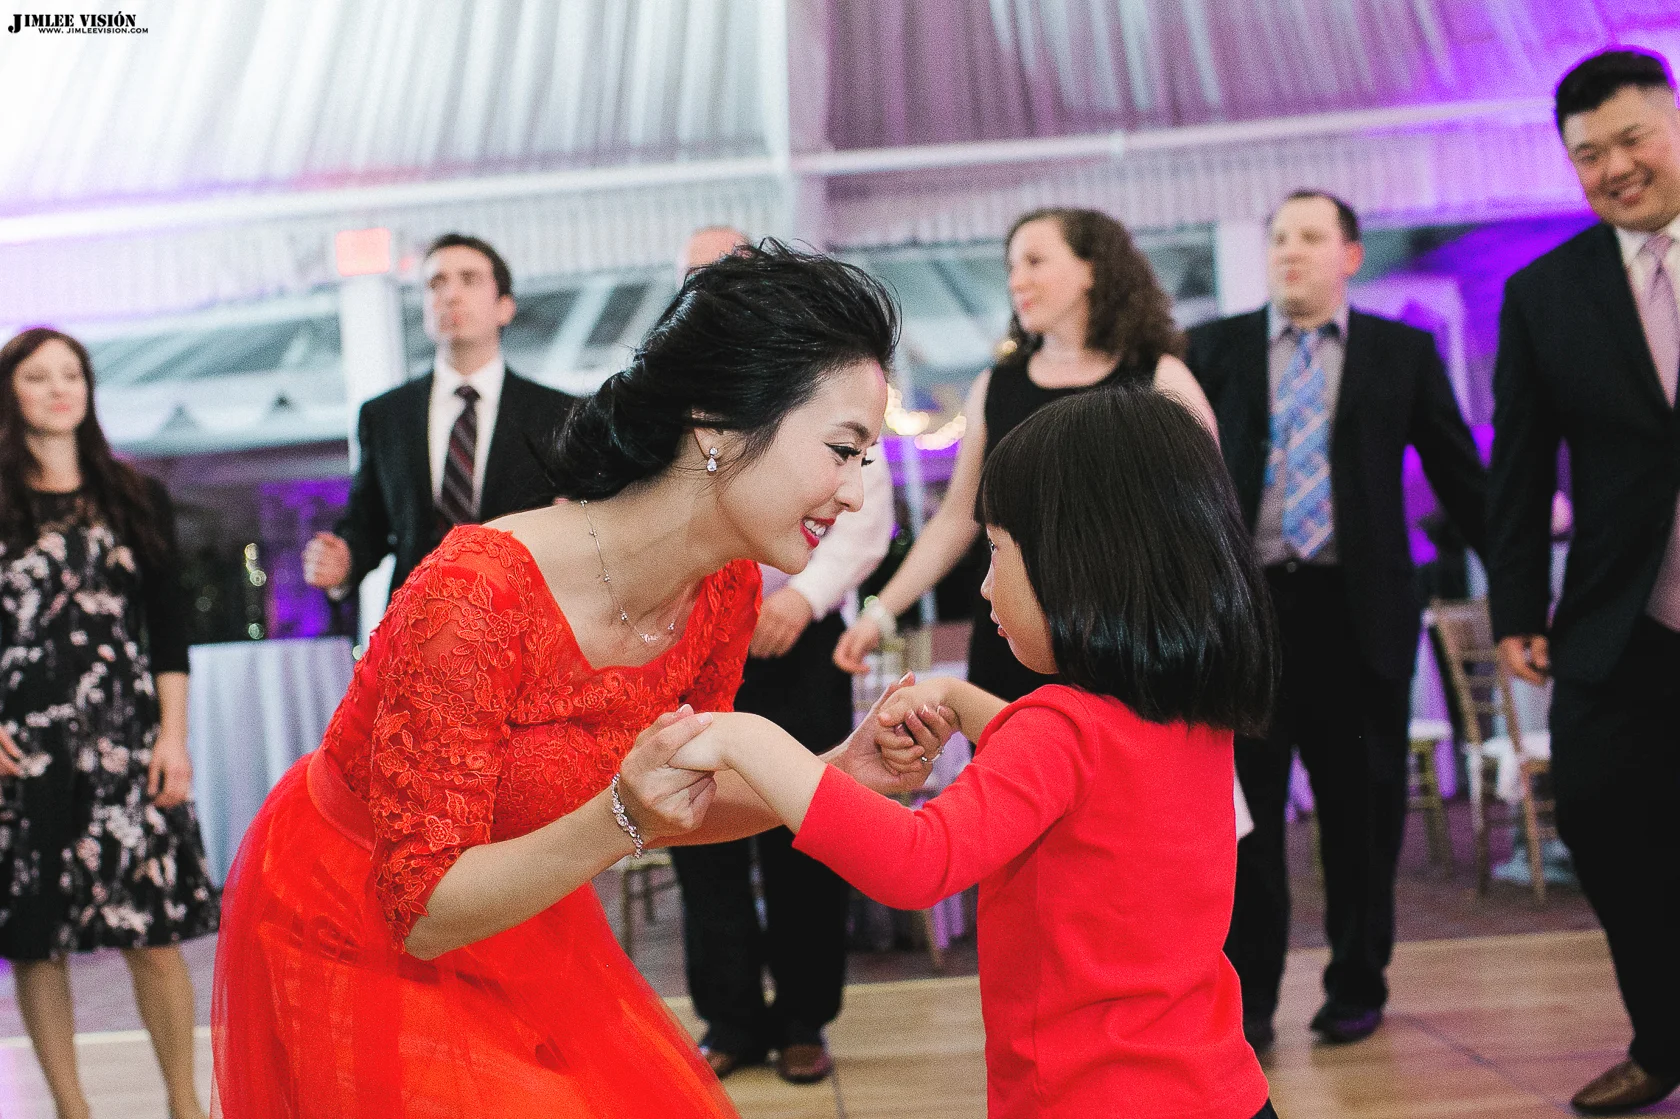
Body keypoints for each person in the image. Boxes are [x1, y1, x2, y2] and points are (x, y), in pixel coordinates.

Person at [210, 242, 950, 1116]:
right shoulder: (473, 595)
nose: (856, 493)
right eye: (842, 449)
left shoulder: (725, 592)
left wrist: (838, 770)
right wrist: (619, 816)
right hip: (354, 917)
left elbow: (683, 798)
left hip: (517, 901)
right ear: (716, 423)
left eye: (865, 459)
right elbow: (424, 907)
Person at [672, 387, 1279, 1119]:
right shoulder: (1185, 714)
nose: (986, 586)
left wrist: (749, 739)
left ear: (1081, 561)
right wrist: (959, 704)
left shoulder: (1060, 731)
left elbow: (919, 861)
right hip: (1219, 1088)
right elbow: (1079, 779)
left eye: (997, 550)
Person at [1186, 191, 1487, 1051]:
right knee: (1246, 822)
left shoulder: (1401, 352)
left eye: (1310, 236)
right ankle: (1247, 998)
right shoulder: (1213, 349)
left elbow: (1461, 476)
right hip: (1247, 618)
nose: (1289, 250)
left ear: (1349, 255)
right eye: (1279, 236)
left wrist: (1521, 581)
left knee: (1362, 815)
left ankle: (1357, 984)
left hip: (1359, 616)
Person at [1488, 47, 1680, 1115]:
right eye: (1588, 154)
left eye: (1632, 139)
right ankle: (1662, 1037)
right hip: (1621, 616)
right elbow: (1519, 467)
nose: (1615, 168)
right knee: (1602, 823)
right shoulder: (1543, 294)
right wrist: (1518, 608)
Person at [668, 228, 896, 1084]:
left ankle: (805, 1017)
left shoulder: (822, 375)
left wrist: (802, 597)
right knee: (699, 828)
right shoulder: (671, 391)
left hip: (796, 638)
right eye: (696, 274)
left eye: (728, 271)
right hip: (693, 643)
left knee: (807, 823)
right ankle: (729, 1017)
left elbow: (866, 509)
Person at [833, 207, 1216, 702]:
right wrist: (880, 614)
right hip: (1009, 640)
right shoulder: (996, 386)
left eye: (1035, 262)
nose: (1016, 281)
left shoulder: (1160, 379)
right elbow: (957, 518)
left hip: (1124, 641)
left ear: (1092, 269)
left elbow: (1203, 522)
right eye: (1012, 267)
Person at [0, 328, 219, 1119]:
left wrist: (173, 736)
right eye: (38, 376)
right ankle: (72, 1110)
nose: (60, 388)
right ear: (11, 392)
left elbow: (169, 630)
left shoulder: (134, 494)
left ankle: (186, 1105)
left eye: (72, 373)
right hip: (24, 749)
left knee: (152, 932)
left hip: (128, 741)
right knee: (38, 942)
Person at [302, 233, 576, 608]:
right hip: (415, 623)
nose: (450, 295)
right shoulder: (385, 416)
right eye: (436, 283)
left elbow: (578, 524)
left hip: (521, 620)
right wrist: (344, 561)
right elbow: (368, 524)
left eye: (469, 279)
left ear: (505, 307)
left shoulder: (559, 414)